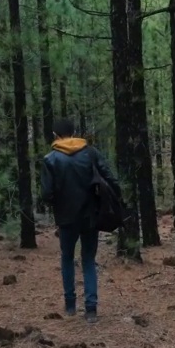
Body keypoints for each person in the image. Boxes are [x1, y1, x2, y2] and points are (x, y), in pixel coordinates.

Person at [40, 118, 119, 323]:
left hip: (66, 217)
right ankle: (91, 309)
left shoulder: (51, 159)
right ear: (73, 133)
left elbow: (46, 193)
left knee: (67, 257)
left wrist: (56, 202)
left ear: (56, 135)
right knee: (88, 260)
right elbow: (109, 177)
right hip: (90, 215)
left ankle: (70, 305)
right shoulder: (90, 153)